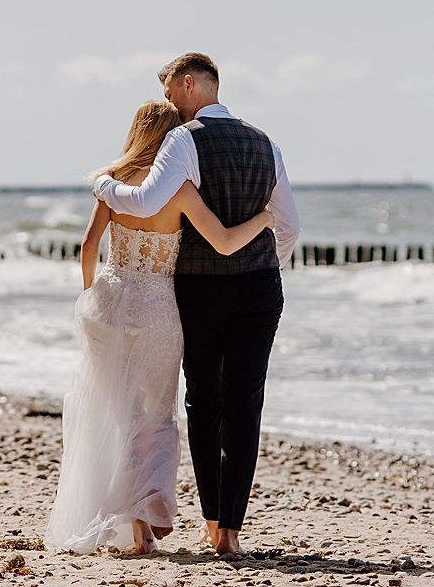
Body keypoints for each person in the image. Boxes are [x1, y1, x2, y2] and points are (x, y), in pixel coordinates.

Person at [45, 100, 274, 555]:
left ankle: (136, 528)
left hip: (109, 305)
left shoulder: (109, 184)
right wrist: (266, 219)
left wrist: (91, 292)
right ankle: (152, 508)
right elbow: (225, 243)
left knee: (117, 413)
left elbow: (90, 245)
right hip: (157, 311)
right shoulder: (182, 190)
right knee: (156, 415)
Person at [92, 53, 299, 557]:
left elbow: (143, 203)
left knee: (205, 402)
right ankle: (230, 532)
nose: (168, 104)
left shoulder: (184, 140)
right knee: (246, 403)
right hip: (260, 288)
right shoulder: (265, 141)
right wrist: (261, 264)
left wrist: (102, 183)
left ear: (189, 84)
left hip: (204, 291)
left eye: (169, 93)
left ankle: (211, 527)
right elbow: (289, 225)